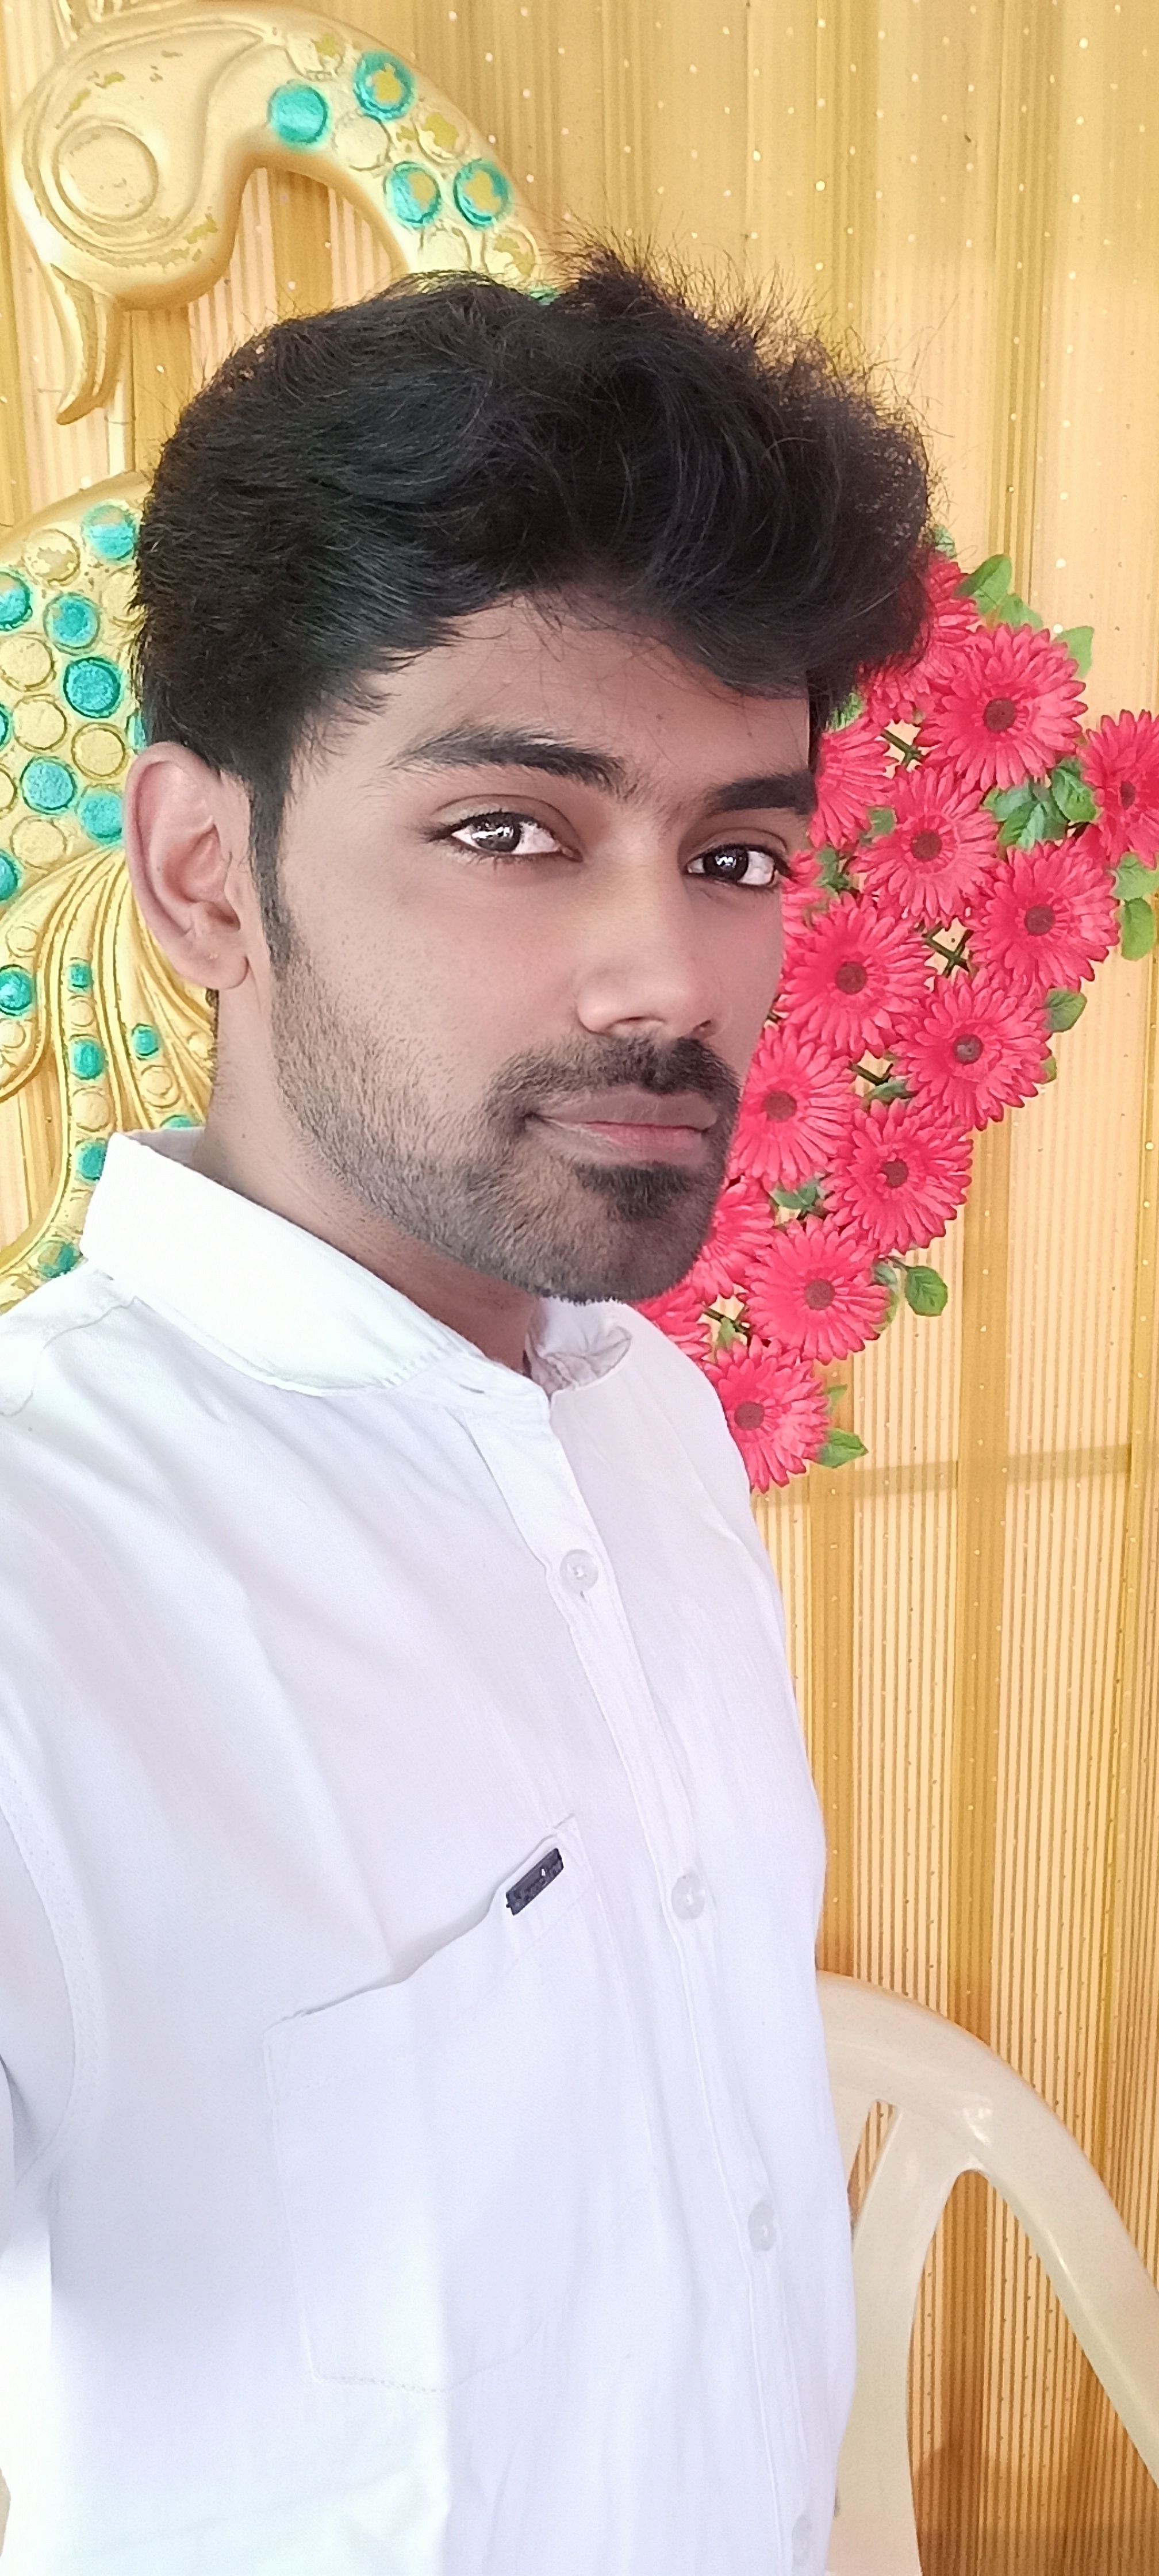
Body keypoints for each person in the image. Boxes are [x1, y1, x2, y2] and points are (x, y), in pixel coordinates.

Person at [0, 251, 928, 2574]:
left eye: (737, 855)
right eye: (512, 828)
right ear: (207, 877)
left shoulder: (646, 1425)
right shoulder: (47, 1573)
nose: (665, 973)